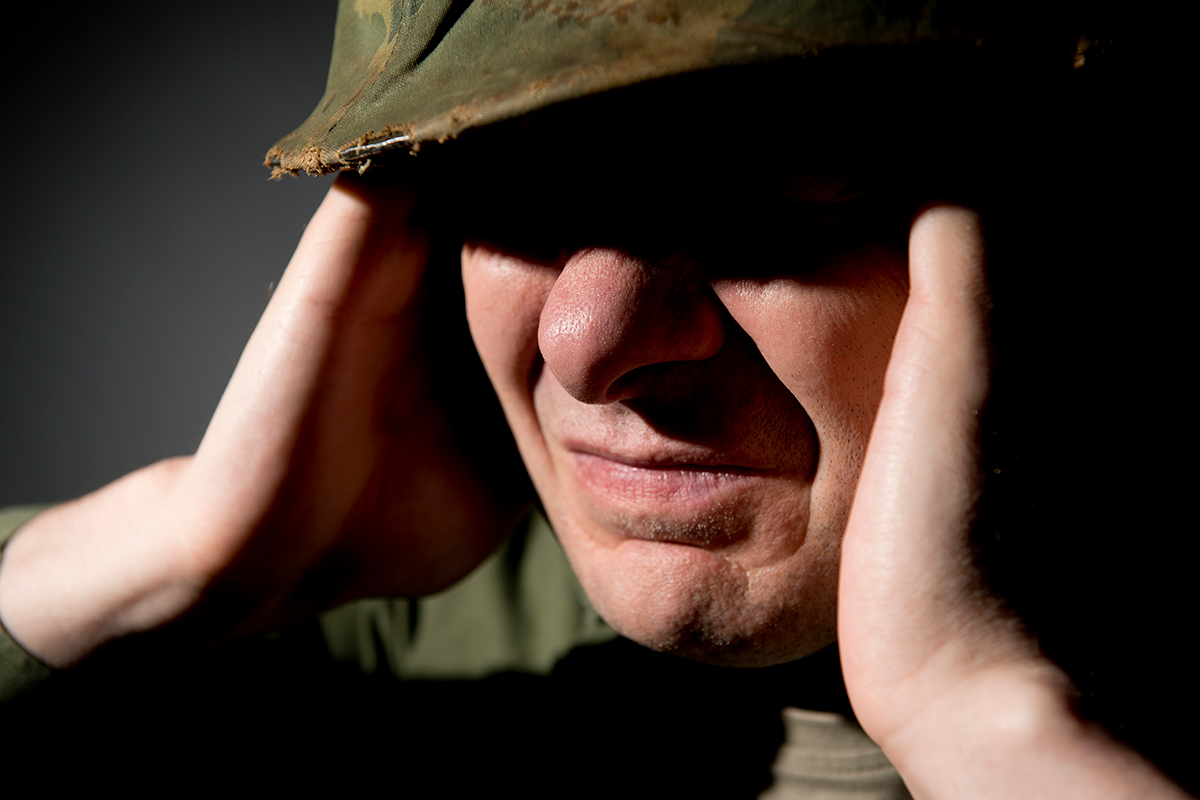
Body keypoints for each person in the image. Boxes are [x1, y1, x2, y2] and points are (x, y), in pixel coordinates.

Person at [0, 2, 1189, 796]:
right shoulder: (379, 667)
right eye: (514, 190)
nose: (585, 344)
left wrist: (987, 728)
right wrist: (175, 550)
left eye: (766, 189)